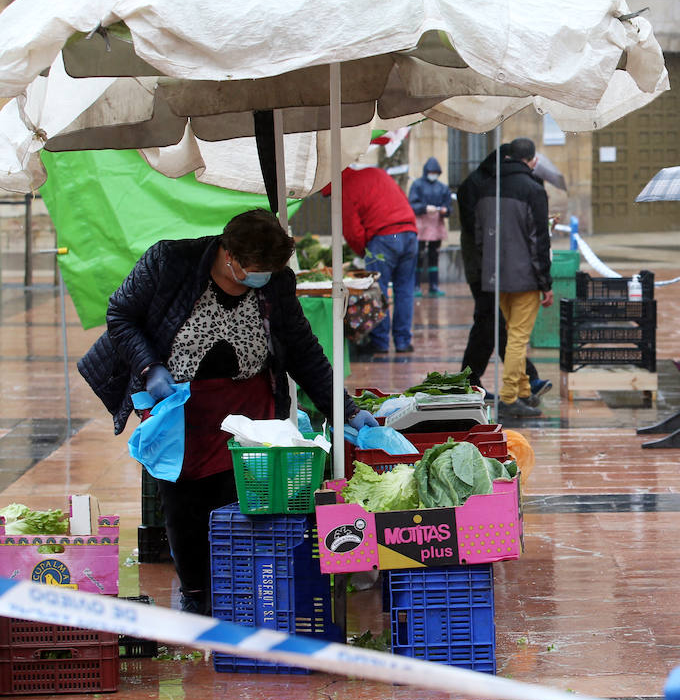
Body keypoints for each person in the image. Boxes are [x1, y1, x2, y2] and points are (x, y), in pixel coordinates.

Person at [76, 209, 376, 614]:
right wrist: (150, 368)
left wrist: (345, 410)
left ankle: (241, 591)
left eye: (268, 271)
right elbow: (121, 316)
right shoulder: (169, 262)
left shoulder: (276, 284)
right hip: (180, 405)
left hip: (250, 403)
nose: (260, 279)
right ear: (228, 254)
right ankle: (196, 594)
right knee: (183, 500)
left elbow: (303, 351)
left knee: (244, 499)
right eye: (253, 271)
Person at [458, 137, 553, 419]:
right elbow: (539, 240)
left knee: (511, 333)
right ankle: (510, 398)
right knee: (518, 339)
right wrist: (545, 282)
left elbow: (478, 235)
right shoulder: (533, 189)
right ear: (532, 160)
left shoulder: (487, 187)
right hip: (523, 278)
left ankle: (523, 391)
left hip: (494, 276)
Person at [335, 165, 419, 354]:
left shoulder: (343, 189)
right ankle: (403, 341)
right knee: (405, 289)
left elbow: (353, 231)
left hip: (384, 237)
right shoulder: (376, 172)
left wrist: (364, 252)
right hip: (409, 233)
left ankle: (380, 342)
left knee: (378, 290)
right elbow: (402, 199)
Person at [409, 156, 452, 298]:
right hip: (421, 224)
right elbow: (412, 205)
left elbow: (448, 206)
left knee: (435, 255)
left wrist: (445, 210)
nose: (433, 174)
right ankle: (416, 285)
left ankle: (434, 285)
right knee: (418, 255)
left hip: (436, 224)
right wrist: (425, 208)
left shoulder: (442, 187)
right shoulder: (417, 185)